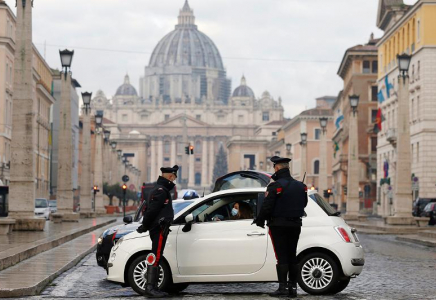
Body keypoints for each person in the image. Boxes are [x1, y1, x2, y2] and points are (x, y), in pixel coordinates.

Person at [255, 156, 307, 298]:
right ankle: (293, 288)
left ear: (277, 168)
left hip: (278, 225)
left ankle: (283, 288)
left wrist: (259, 220)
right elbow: (304, 204)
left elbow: (267, 206)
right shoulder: (301, 186)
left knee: (281, 256)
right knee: (292, 255)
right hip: (295, 225)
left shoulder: (275, 186)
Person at [136, 165, 178, 298]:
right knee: (156, 255)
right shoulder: (161, 190)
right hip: (159, 228)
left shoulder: (160, 189)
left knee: (157, 255)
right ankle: (150, 287)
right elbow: (152, 210)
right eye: (174, 178)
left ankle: (152, 287)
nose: (174, 182)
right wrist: (145, 225)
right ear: (170, 177)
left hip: (159, 228)